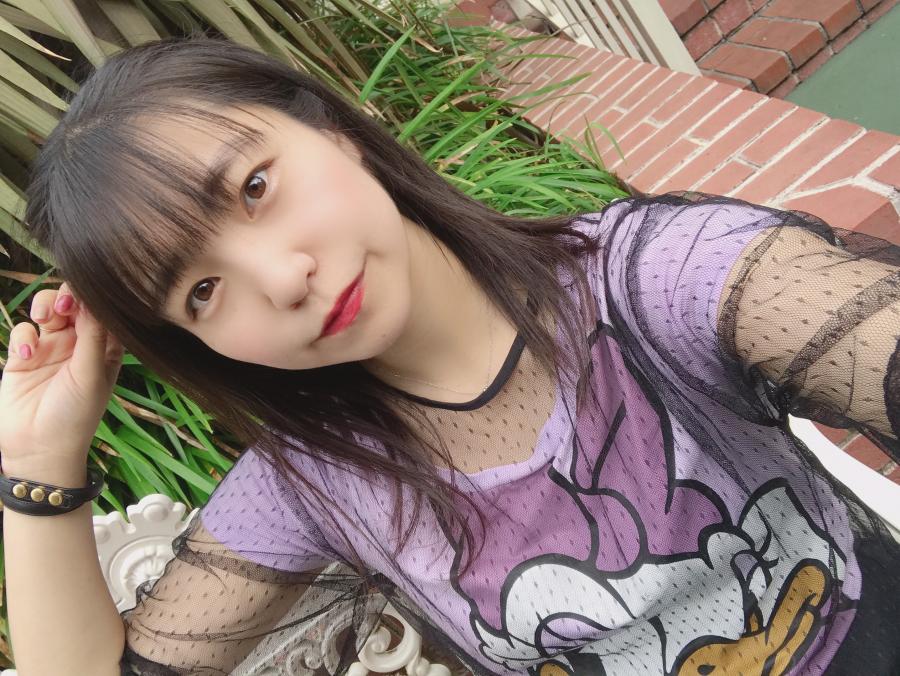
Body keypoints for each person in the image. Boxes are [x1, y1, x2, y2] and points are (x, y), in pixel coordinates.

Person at [1, 35, 899, 676]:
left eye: (255, 187)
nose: (281, 279)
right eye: (201, 291)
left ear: (332, 128)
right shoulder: (318, 480)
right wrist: (39, 459)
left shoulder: (651, 280)